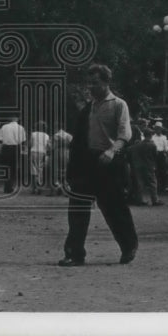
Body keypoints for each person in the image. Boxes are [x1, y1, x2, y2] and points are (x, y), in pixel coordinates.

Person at [59, 63, 138, 267]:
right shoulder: (89, 107)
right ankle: (74, 253)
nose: (91, 87)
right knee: (77, 207)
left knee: (114, 208)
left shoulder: (119, 104)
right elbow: (78, 139)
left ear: (106, 82)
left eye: (95, 83)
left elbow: (124, 135)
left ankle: (128, 246)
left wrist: (111, 152)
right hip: (87, 163)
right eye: (89, 83)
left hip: (109, 163)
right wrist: (71, 169)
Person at [126, 128, 162, 206]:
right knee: (152, 183)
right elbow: (155, 155)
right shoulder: (152, 145)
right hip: (149, 165)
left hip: (137, 166)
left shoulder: (136, 145)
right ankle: (155, 200)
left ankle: (140, 200)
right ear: (150, 135)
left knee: (140, 183)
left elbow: (129, 150)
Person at [0, 117, 27, 194]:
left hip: (6, 148)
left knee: (6, 167)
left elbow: (0, 139)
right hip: (15, 148)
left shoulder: (4, 127)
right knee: (14, 167)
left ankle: (6, 186)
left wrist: (6, 141)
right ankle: (11, 186)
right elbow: (23, 140)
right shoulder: (21, 128)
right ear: (17, 119)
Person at [29, 122, 51, 195]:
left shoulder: (33, 134)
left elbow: (30, 144)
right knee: (40, 170)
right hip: (42, 152)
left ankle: (33, 188)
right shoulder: (46, 135)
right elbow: (48, 146)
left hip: (34, 151)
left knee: (33, 170)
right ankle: (39, 187)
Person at [151, 124, 168, 193]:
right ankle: (157, 187)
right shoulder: (152, 137)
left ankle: (164, 187)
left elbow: (166, 147)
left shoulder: (164, 137)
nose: (158, 130)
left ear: (161, 129)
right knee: (155, 171)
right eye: (156, 129)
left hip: (162, 154)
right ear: (155, 129)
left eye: (159, 129)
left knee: (163, 171)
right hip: (155, 155)